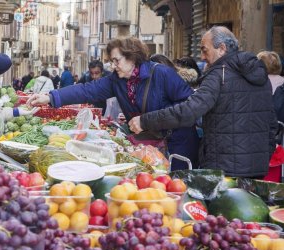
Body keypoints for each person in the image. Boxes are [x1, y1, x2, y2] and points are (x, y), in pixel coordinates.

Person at [28, 37, 199, 170]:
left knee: (178, 189)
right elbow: (87, 90)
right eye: (111, 61)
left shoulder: (162, 74)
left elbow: (188, 107)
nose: (113, 65)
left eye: (117, 60)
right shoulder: (117, 80)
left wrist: (147, 120)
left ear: (132, 57)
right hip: (153, 145)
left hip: (179, 144)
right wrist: (51, 97)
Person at [129, 26, 277, 178]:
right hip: (256, 168)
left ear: (222, 48)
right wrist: (262, 157)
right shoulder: (260, 76)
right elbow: (272, 123)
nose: (202, 57)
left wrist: (145, 121)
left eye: (205, 50)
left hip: (224, 170)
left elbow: (189, 111)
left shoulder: (219, 75)